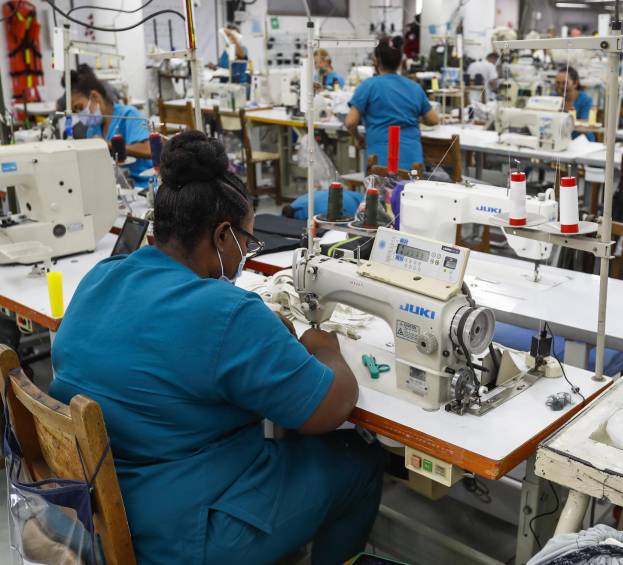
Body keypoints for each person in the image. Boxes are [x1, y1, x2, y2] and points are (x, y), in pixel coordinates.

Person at [48, 131, 384, 565]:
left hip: (91, 508)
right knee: (359, 463)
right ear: (223, 236)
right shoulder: (226, 312)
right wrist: (325, 347)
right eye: (248, 240)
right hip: (180, 534)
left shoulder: (102, 275)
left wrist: (261, 335)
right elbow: (329, 408)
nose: (247, 251)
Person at [345, 36, 439, 170]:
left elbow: (350, 122)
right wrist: (411, 117)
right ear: (401, 62)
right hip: (413, 162)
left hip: (381, 163)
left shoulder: (368, 86)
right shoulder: (414, 87)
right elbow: (433, 120)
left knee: (379, 190)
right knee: (410, 190)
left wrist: (358, 137)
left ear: (376, 60)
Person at [65, 64, 152, 187]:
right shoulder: (92, 130)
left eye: (80, 108)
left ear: (95, 97)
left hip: (143, 187)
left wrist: (111, 145)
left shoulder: (128, 115)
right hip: (117, 187)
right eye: (76, 111)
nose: (80, 115)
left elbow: (148, 150)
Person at [554, 67, 594, 141]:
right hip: (560, 140)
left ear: (575, 83)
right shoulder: (553, 98)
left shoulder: (585, 100)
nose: (560, 87)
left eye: (565, 83)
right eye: (557, 83)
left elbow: (584, 124)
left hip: (582, 141)